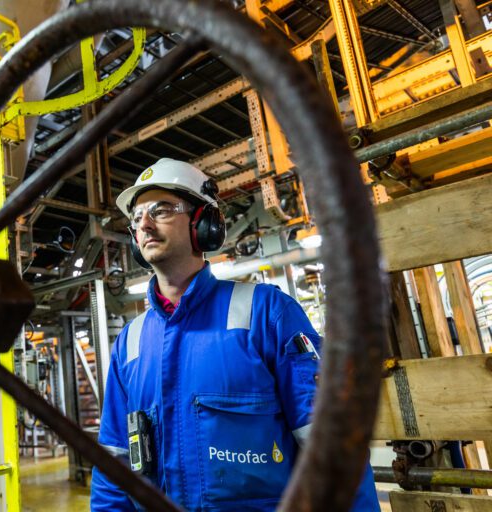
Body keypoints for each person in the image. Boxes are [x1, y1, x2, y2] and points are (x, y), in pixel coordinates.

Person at [90, 158, 379, 511]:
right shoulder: (130, 344)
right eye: (137, 218)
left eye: (161, 210)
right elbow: (113, 466)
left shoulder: (267, 313)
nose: (144, 225)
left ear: (203, 223)